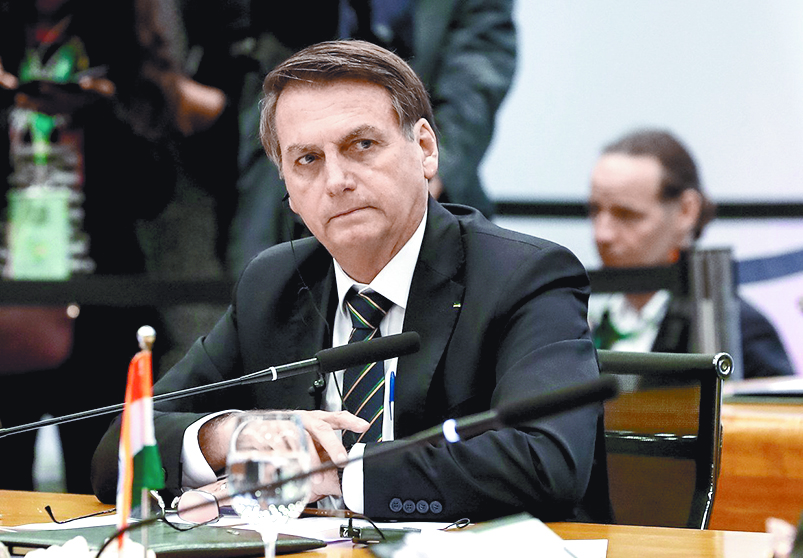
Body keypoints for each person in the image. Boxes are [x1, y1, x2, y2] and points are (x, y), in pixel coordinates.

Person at [92, 40, 610, 523]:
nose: (336, 181)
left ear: (425, 148)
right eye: (308, 160)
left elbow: (547, 460)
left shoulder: (524, 276)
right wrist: (232, 434)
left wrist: (338, 474)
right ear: (288, 187)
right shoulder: (272, 283)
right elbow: (119, 449)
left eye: (362, 145)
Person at [0, 0, 221, 493]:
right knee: (6, 484)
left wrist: (97, 113)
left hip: (101, 299)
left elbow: (154, 191)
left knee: (100, 483)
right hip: (12, 299)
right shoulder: (9, 41)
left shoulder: (119, 45)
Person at [226, 0, 516, 276]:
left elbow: (478, 73)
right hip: (269, 207)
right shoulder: (263, 280)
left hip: (429, 200)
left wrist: (432, 171)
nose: (338, 179)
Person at [587, 128, 795, 378]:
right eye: (594, 211)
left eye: (627, 214)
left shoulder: (740, 330)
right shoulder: (584, 324)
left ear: (686, 210)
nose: (602, 234)